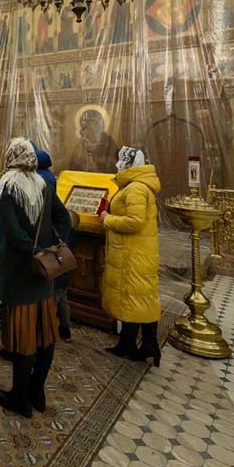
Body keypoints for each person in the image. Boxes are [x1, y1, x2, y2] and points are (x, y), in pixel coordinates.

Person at [0, 138, 71, 418]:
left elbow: (13, 233)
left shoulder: (6, 187)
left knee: (24, 336)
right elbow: (65, 218)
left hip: (20, 270)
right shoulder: (44, 184)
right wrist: (53, 247)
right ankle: (37, 389)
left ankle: (19, 397)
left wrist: (33, 251)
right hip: (44, 271)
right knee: (45, 333)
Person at [101, 146, 163, 366]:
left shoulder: (136, 188)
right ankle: (139, 344)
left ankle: (141, 344)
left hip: (133, 252)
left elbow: (134, 222)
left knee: (135, 297)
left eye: (121, 162)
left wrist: (107, 218)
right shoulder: (137, 185)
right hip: (136, 251)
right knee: (137, 298)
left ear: (129, 165)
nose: (117, 165)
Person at [35, 145, 72, 341]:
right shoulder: (49, 176)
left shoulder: (39, 180)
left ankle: (47, 334)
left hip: (49, 245)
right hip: (60, 245)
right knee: (61, 291)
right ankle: (65, 327)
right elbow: (64, 218)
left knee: (52, 295)